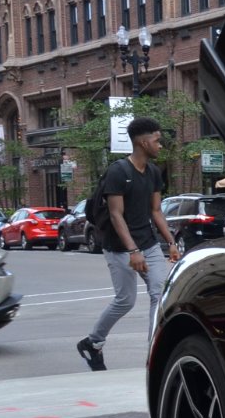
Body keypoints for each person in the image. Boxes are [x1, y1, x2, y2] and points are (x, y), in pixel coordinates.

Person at [77, 118, 181, 371]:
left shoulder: (154, 172)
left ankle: (154, 354)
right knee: (126, 300)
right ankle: (93, 342)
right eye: (156, 140)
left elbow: (156, 211)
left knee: (160, 294)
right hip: (119, 246)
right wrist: (133, 251)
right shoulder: (119, 171)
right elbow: (115, 215)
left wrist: (171, 242)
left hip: (148, 243)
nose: (160, 145)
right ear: (143, 142)